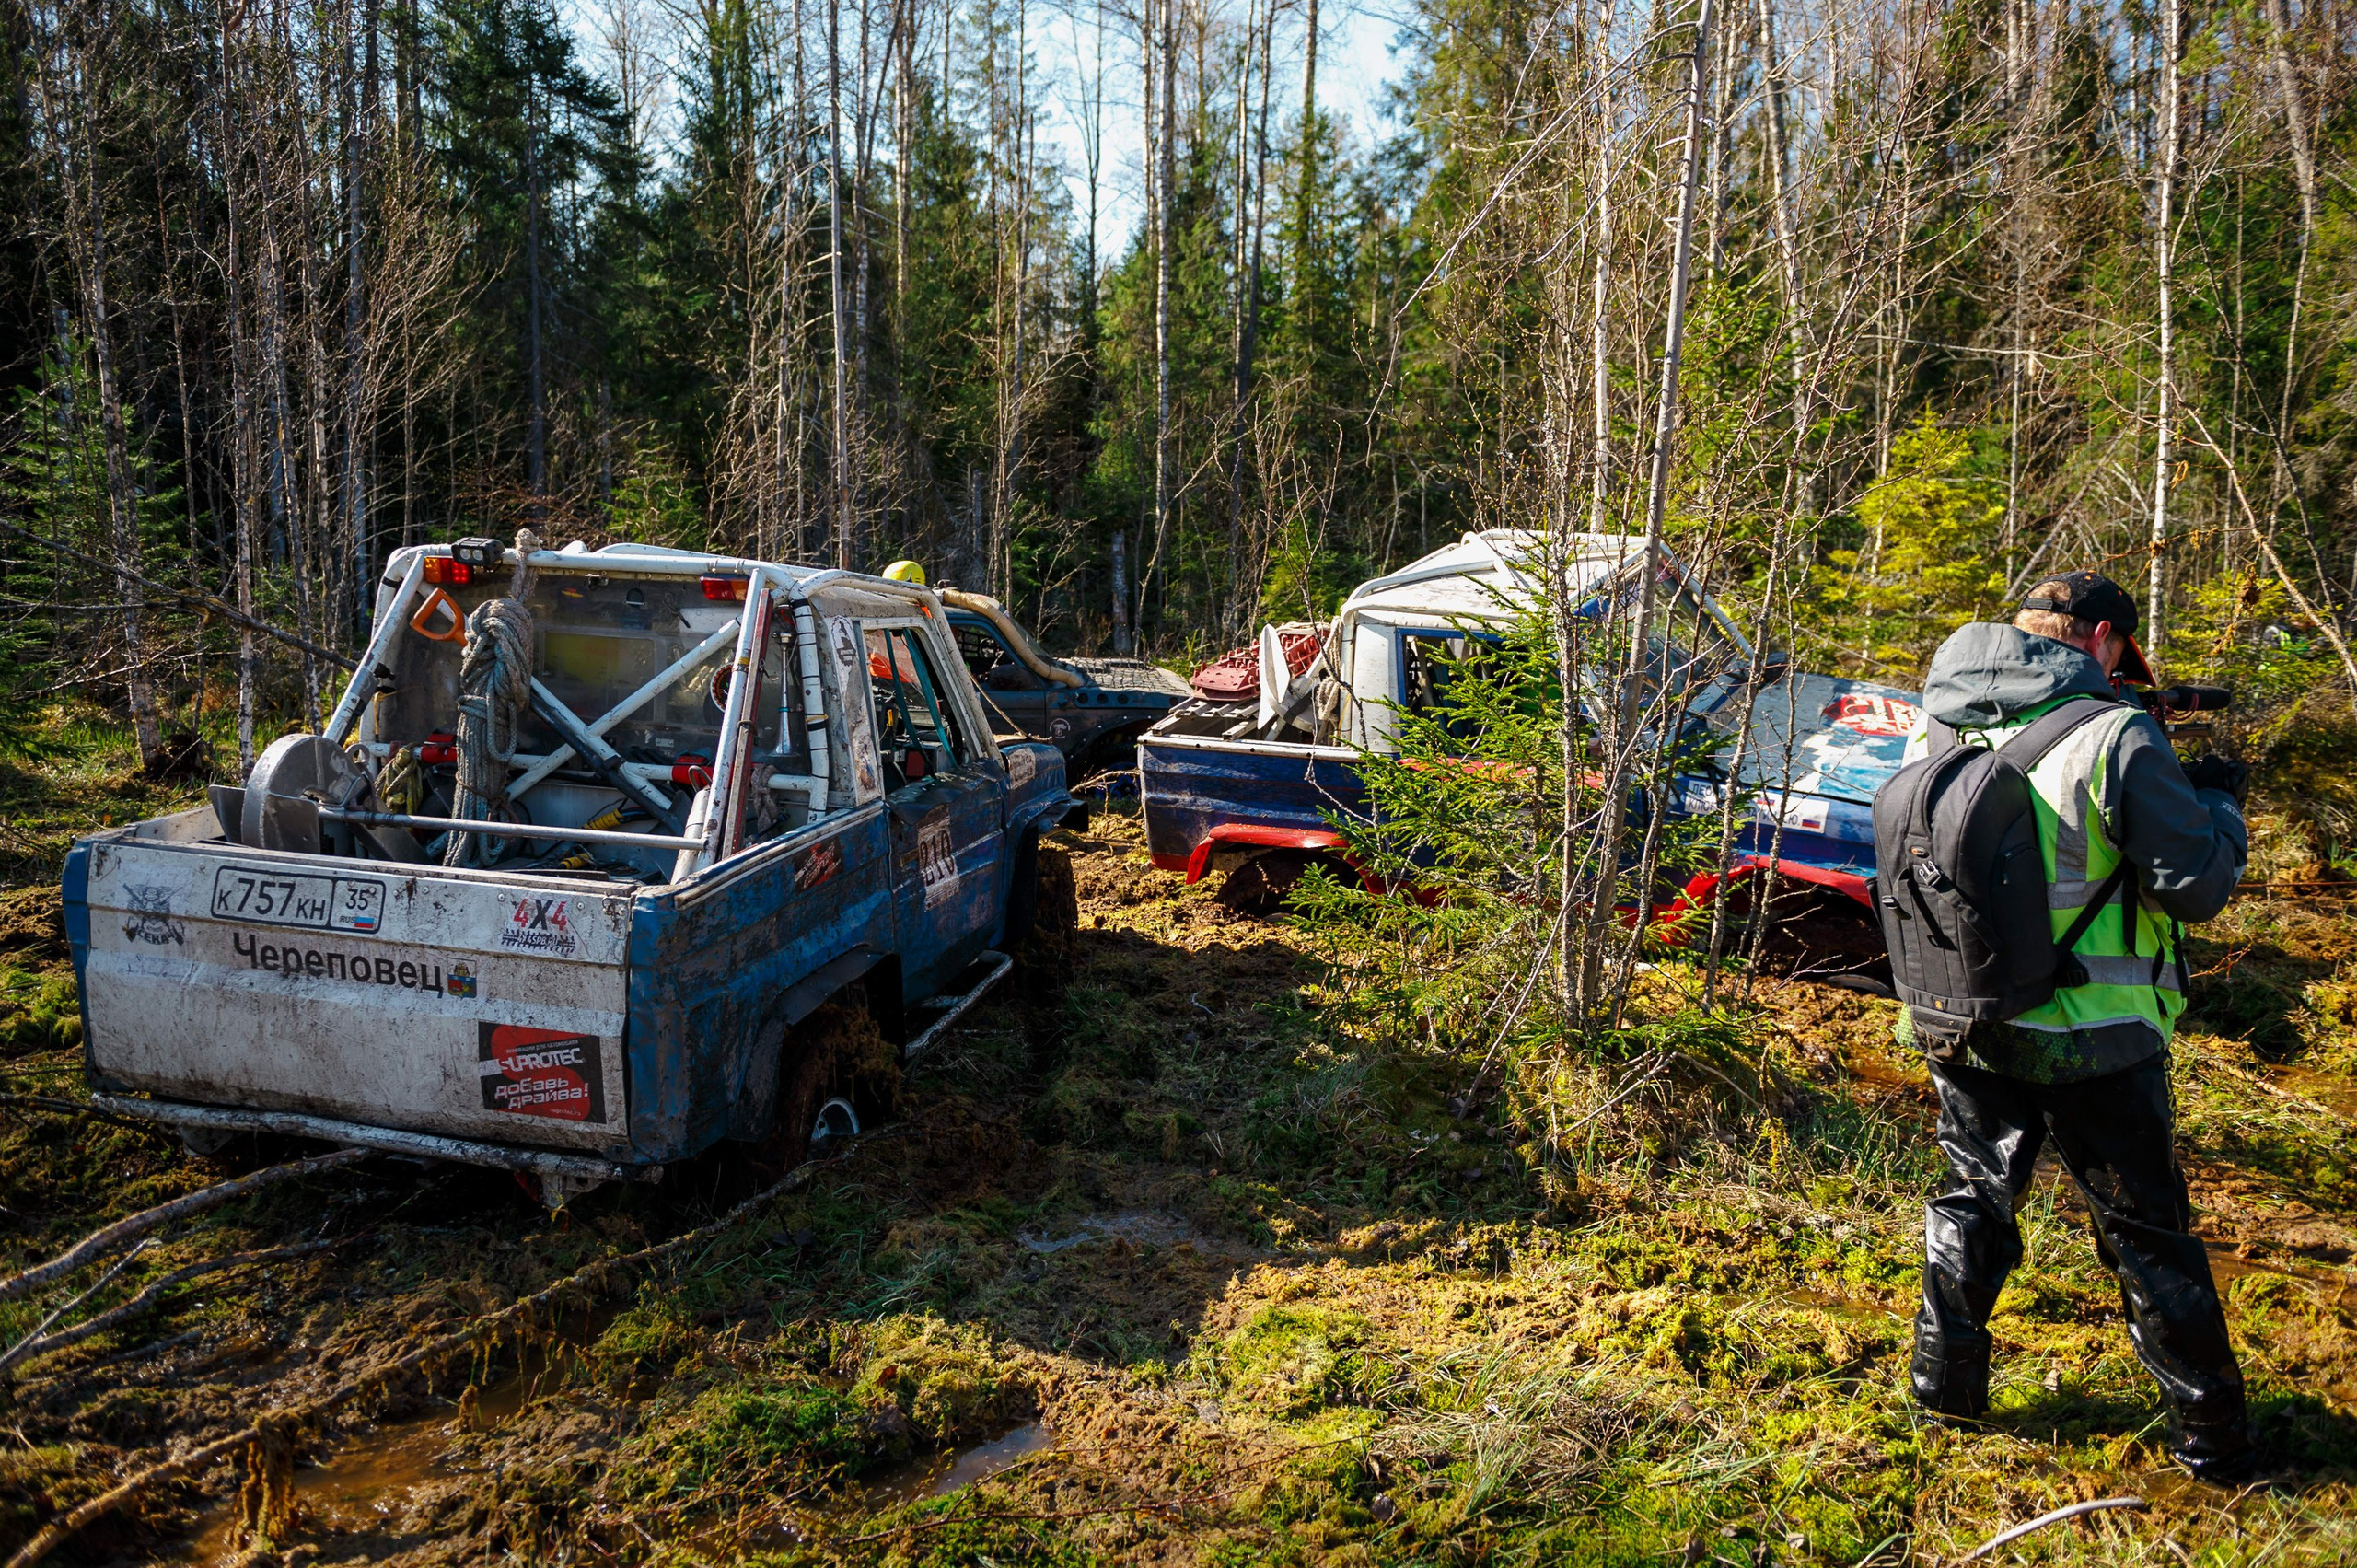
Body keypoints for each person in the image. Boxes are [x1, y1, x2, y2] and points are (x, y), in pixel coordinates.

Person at [1898, 571, 2258, 1481]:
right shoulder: (2116, 733)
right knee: (2146, 1230)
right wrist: (2217, 802)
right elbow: (2196, 887)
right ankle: (2213, 1445)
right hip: (2094, 1027)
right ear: (2101, 637)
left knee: (1972, 1194)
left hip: (1966, 1011)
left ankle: (1943, 1387)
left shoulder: (1936, 717)